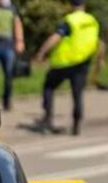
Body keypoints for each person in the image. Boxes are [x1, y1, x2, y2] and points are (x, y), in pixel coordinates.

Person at [34, 0, 99, 135]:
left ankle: (48, 118)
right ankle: (76, 124)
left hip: (65, 62)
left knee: (49, 86)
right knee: (77, 94)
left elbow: (56, 37)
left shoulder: (70, 20)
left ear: (71, 6)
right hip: (83, 62)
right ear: (84, 5)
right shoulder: (92, 21)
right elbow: (96, 41)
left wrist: (42, 52)